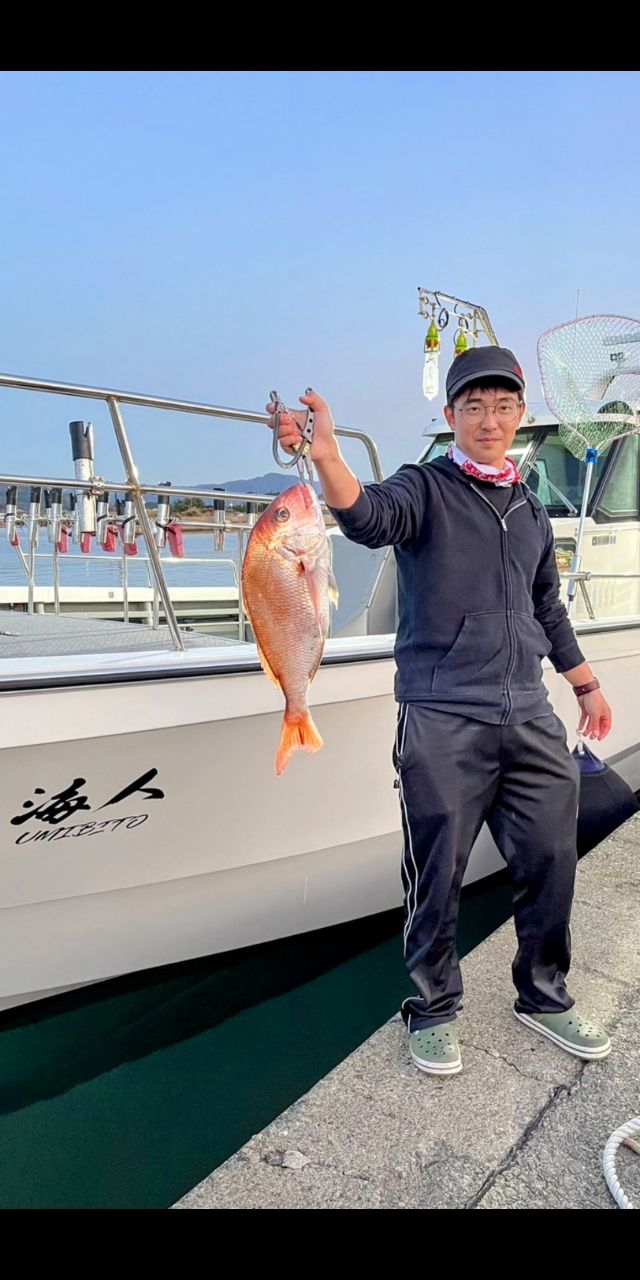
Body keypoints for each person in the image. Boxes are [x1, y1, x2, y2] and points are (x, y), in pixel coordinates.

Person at [266, 345, 613, 1077]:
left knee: (552, 859)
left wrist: (584, 683)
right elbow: (365, 518)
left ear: (520, 415)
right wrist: (327, 457)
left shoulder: (528, 508)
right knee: (436, 871)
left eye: (504, 405)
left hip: (528, 711)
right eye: (474, 406)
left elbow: (544, 603)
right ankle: (432, 1008)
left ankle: (544, 996)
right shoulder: (424, 488)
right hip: (442, 714)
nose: (491, 419)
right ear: (452, 416)